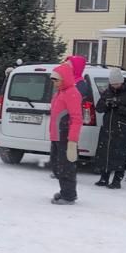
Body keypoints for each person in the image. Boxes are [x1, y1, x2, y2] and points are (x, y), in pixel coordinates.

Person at [94, 67, 126, 189]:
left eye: (117, 84)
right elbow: (99, 108)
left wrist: (119, 106)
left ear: (122, 82)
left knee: (120, 154)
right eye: (113, 84)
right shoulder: (108, 92)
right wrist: (106, 103)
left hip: (122, 129)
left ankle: (117, 180)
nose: (115, 86)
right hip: (107, 127)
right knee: (104, 153)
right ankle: (104, 177)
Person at [48, 62, 83, 204]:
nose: (54, 83)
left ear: (64, 79)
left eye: (56, 80)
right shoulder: (60, 93)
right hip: (57, 136)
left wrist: (72, 141)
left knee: (66, 167)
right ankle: (64, 191)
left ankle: (69, 195)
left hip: (66, 136)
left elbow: (76, 118)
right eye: (53, 80)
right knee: (57, 166)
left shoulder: (72, 93)